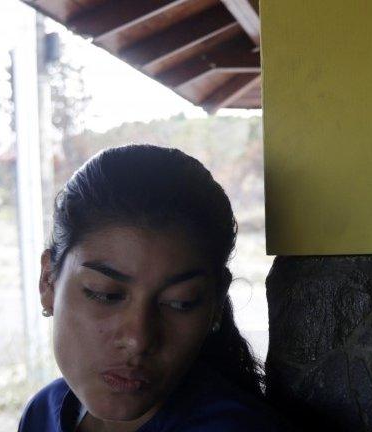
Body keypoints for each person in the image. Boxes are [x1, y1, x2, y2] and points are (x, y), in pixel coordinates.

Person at [18, 145, 291, 431]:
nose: (139, 339)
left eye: (180, 303)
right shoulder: (43, 412)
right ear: (48, 280)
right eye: (106, 295)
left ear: (216, 305)